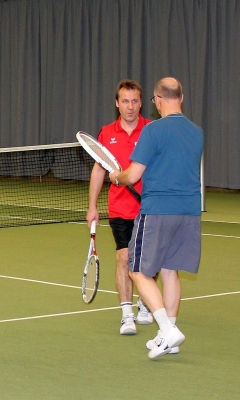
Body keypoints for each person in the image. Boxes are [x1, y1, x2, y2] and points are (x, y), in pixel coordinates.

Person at [109, 77, 204, 359]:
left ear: (158, 100)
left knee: (137, 270)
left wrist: (117, 177)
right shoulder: (197, 132)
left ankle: (166, 328)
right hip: (189, 212)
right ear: (181, 98)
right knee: (170, 270)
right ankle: (168, 337)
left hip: (158, 210)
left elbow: (133, 175)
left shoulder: (152, 131)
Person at [86, 79, 153, 335]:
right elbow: (99, 169)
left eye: (135, 101)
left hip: (149, 207)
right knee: (124, 257)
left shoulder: (151, 130)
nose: (130, 106)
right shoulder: (107, 133)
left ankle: (145, 301)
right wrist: (92, 206)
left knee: (149, 260)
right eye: (125, 101)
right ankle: (127, 314)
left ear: (141, 103)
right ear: (117, 104)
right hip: (120, 208)